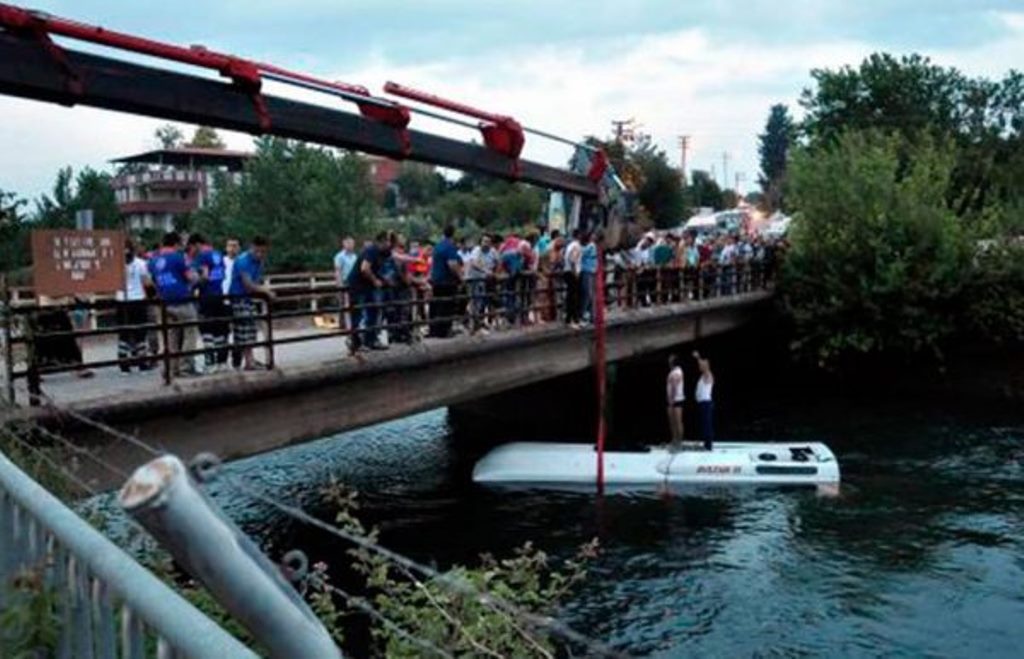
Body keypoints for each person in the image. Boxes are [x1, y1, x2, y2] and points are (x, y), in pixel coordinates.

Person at [148, 231, 200, 377]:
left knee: (170, 336)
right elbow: (191, 277)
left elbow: (153, 281)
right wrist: (198, 276)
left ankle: (170, 368)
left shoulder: (153, 260)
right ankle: (185, 367)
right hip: (181, 300)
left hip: (163, 302)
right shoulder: (179, 258)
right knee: (190, 331)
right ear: (176, 244)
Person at [227, 236, 275, 370]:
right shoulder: (242, 261)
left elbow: (255, 281)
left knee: (249, 329)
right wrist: (266, 291)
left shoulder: (259, 262)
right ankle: (248, 361)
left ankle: (246, 358)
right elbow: (248, 284)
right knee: (245, 327)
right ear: (252, 248)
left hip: (249, 298)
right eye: (258, 251)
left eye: (263, 252)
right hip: (238, 297)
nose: (260, 255)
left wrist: (260, 291)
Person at [188, 233, 231, 373]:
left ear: (197, 244)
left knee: (207, 330)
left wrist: (193, 286)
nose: (191, 252)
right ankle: (222, 362)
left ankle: (210, 362)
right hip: (219, 294)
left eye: (191, 248)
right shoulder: (217, 254)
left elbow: (204, 275)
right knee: (220, 329)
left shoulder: (201, 256)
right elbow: (222, 274)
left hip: (206, 296)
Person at [347, 232, 390, 351]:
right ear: (382, 241)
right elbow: (364, 268)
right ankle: (356, 343)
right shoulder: (372, 250)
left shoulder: (383, 253)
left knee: (373, 311)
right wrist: (375, 280)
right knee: (358, 313)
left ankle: (370, 340)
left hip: (367, 286)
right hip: (358, 285)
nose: (389, 244)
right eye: (388, 241)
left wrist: (382, 279)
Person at [116, 239, 152, 373]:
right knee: (140, 332)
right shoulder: (141, 264)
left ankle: (123, 361)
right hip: (137, 299)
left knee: (123, 333)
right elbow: (147, 282)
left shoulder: (117, 264)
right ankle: (142, 360)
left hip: (121, 300)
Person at [429, 225, 463, 338]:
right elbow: (452, 264)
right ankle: (444, 331)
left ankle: (433, 330)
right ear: (453, 234)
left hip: (436, 280)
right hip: (447, 281)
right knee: (447, 306)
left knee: (436, 305)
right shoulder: (450, 247)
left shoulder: (438, 246)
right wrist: (460, 277)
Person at [465, 234, 498, 333]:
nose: (486, 244)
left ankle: (481, 323)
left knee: (485, 301)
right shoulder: (476, 251)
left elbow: (498, 261)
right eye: (484, 241)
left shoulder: (493, 251)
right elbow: (474, 263)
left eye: (488, 242)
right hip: (475, 278)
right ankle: (473, 325)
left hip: (486, 280)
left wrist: (495, 272)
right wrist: (485, 270)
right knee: (476, 301)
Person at [222, 237, 242, 368]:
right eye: (230, 246)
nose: (232, 249)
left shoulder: (242, 262)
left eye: (235, 246)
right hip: (223, 299)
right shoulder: (222, 261)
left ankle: (237, 359)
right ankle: (222, 359)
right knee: (223, 332)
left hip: (238, 299)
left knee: (238, 331)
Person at [333, 236, 358, 331]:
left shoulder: (355, 256)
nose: (351, 245)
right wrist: (339, 283)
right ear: (344, 244)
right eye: (349, 243)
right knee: (344, 304)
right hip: (344, 280)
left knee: (351, 303)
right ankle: (346, 325)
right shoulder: (339, 256)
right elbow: (338, 270)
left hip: (353, 281)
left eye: (352, 243)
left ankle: (348, 323)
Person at [693, 350, 714, 450]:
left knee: (707, 424)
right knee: (704, 424)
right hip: (702, 403)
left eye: (702, 365)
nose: (700, 366)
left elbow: (704, 365)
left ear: (706, 365)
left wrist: (698, 357)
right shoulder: (703, 375)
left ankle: (708, 446)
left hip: (706, 403)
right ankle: (706, 444)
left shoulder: (708, 374)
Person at [563, 229, 583, 327]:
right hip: (573, 272)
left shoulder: (570, 245)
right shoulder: (576, 246)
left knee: (570, 296)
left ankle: (569, 319)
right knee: (574, 297)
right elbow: (573, 259)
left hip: (568, 271)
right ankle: (574, 319)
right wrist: (576, 272)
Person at [666, 354, 685, 447]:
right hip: (673, 400)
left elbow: (674, 386)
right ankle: (674, 440)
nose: (669, 361)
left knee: (677, 421)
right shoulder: (674, 371)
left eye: (670, 359)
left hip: (676, 400)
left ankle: (679, 441)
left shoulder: (676, 372)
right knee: (672, 422)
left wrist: (672, 400)